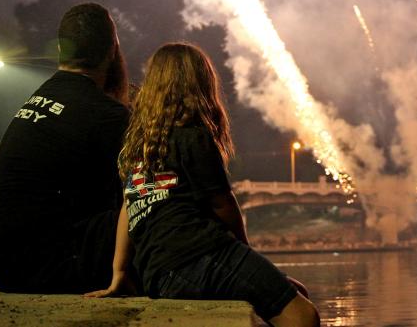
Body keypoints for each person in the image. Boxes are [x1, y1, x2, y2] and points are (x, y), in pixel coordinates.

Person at [87, 43, 320, 327]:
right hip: (199, 253)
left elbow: (129, 209)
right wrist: (246, 253)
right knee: (304, 316)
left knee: (293, 293)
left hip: (160, 275)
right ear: (198, 85)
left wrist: (119, 274)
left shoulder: (136, 148)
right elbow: (223, 204)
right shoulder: (192, 136)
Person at [0, 2, 130, 293]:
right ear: (112, 51)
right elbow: (130, 196)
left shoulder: (41, 98)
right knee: (159, 203)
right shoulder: (106, 114)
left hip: (8, 268)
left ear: (62, 50)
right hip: (55, 266)